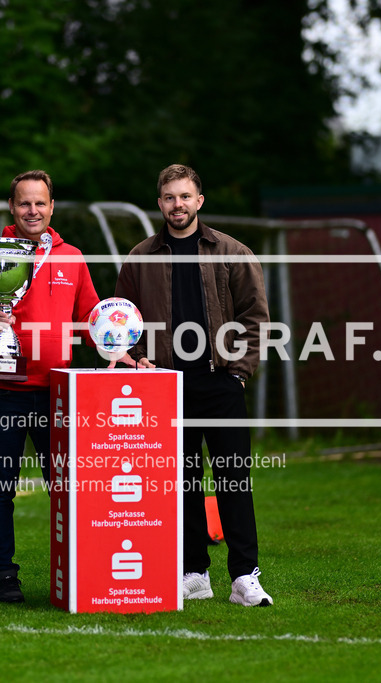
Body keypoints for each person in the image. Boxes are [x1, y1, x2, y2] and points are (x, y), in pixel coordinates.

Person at [114, 163, 273, 607]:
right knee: (181, 481)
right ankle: (194, 572)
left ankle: (244, 576)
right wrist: (135, 361)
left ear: (198, 201)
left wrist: (239, 373)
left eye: (185, 196)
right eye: (169, 197)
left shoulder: (232, 252)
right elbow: (120, 322)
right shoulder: (140, 258)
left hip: (220, 379)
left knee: (233, 480)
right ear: (159, 203)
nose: (177, 205)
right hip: (164, 385)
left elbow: (255, 319)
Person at [0, 170, 109, 603]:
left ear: (51, 207)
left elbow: (90, 321)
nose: (32, 211)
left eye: (40, 203)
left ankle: (77, 569)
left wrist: (118, 345)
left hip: (57, 393)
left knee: (63, 487)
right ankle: (5, 576)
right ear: (12, 207)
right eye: (24, 203)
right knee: (0, 486)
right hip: (3, 388)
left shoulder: (72, 257)